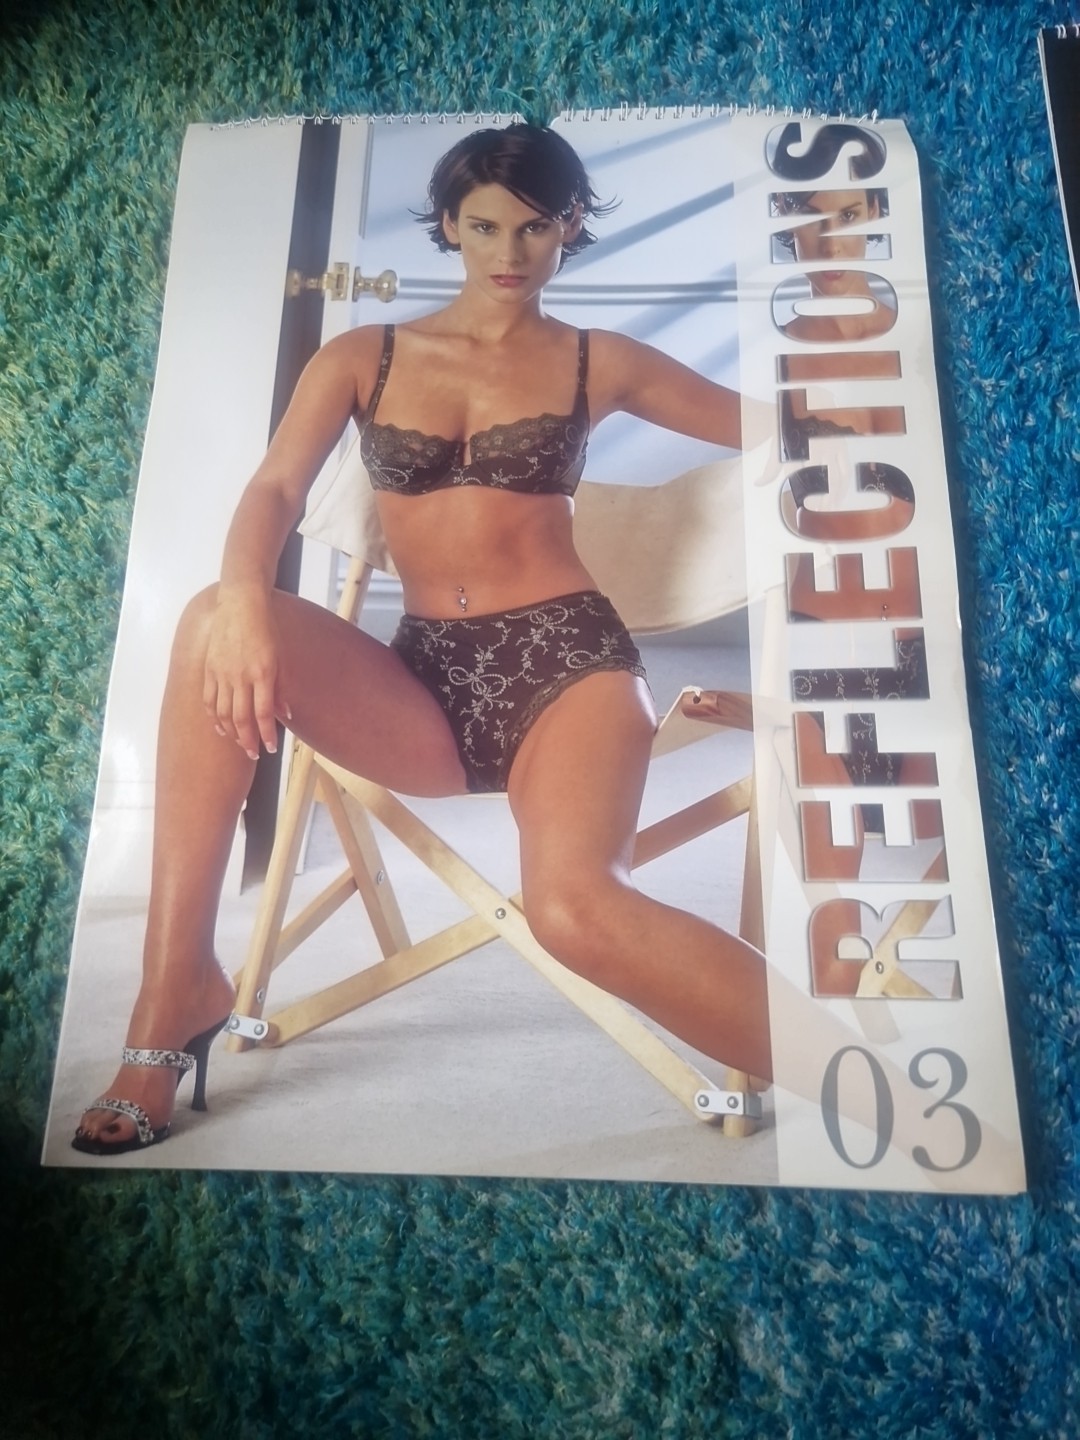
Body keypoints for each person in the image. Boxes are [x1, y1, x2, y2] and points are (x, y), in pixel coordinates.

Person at [72, 123, 773, 1155]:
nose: (509, 252)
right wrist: (249, 600)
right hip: (424, 681)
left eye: (535, 228)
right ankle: (174, 986)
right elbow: (273, 490)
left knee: (574, 912)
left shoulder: (599, 360)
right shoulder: (366, 356)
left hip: (566, 667)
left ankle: (876, 1076)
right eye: (484, 226)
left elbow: (779, 423)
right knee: (212, 618)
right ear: (447, 224)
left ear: (570, 227)